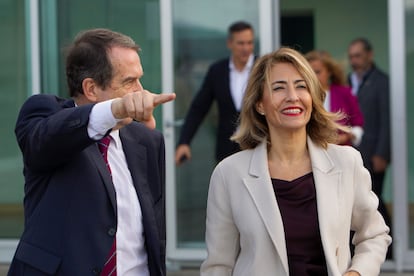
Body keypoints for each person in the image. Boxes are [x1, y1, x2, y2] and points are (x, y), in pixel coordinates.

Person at [200, 47, 391, 276]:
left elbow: (374, 234)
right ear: (260, 104)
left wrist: (356, 273)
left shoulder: (346, 162)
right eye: (279, 88)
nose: (293, 96)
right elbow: (218, 266)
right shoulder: (228, 173)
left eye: (301, 86)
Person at [8, 28, 175, 275]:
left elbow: (153, 233)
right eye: (129, 82)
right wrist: (116, 109)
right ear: (91, 88)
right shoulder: (46, 116)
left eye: (139, 79)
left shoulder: (147, 141)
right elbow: (46, 139)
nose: (141, 91)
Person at [175, 21, 255, 164]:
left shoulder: (262, 68)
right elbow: (199, 108)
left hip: (257, 146)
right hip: (226, 150)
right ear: (229, 44)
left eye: (249, 43)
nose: (246, 48)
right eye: (241, 43)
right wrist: (184, 141)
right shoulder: (217, 71)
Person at [347, 38, 392, 258]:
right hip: (352, 153)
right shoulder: (347, 81)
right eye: (351, 56)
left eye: (358, 55)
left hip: (373, 153)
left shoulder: (381, 81)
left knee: (375, 202)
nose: (354, 60)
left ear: (369, 55)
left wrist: (382, 153)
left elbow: (387, 119)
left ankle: (389, 250)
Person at [305, 50, 364, 146]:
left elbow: (357, 125)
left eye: (317, 72)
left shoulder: (344, 93)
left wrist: (346, 137)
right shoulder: (302, 95)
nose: (313, 76)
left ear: (329, 72)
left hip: (341, 152)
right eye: (309, 72)